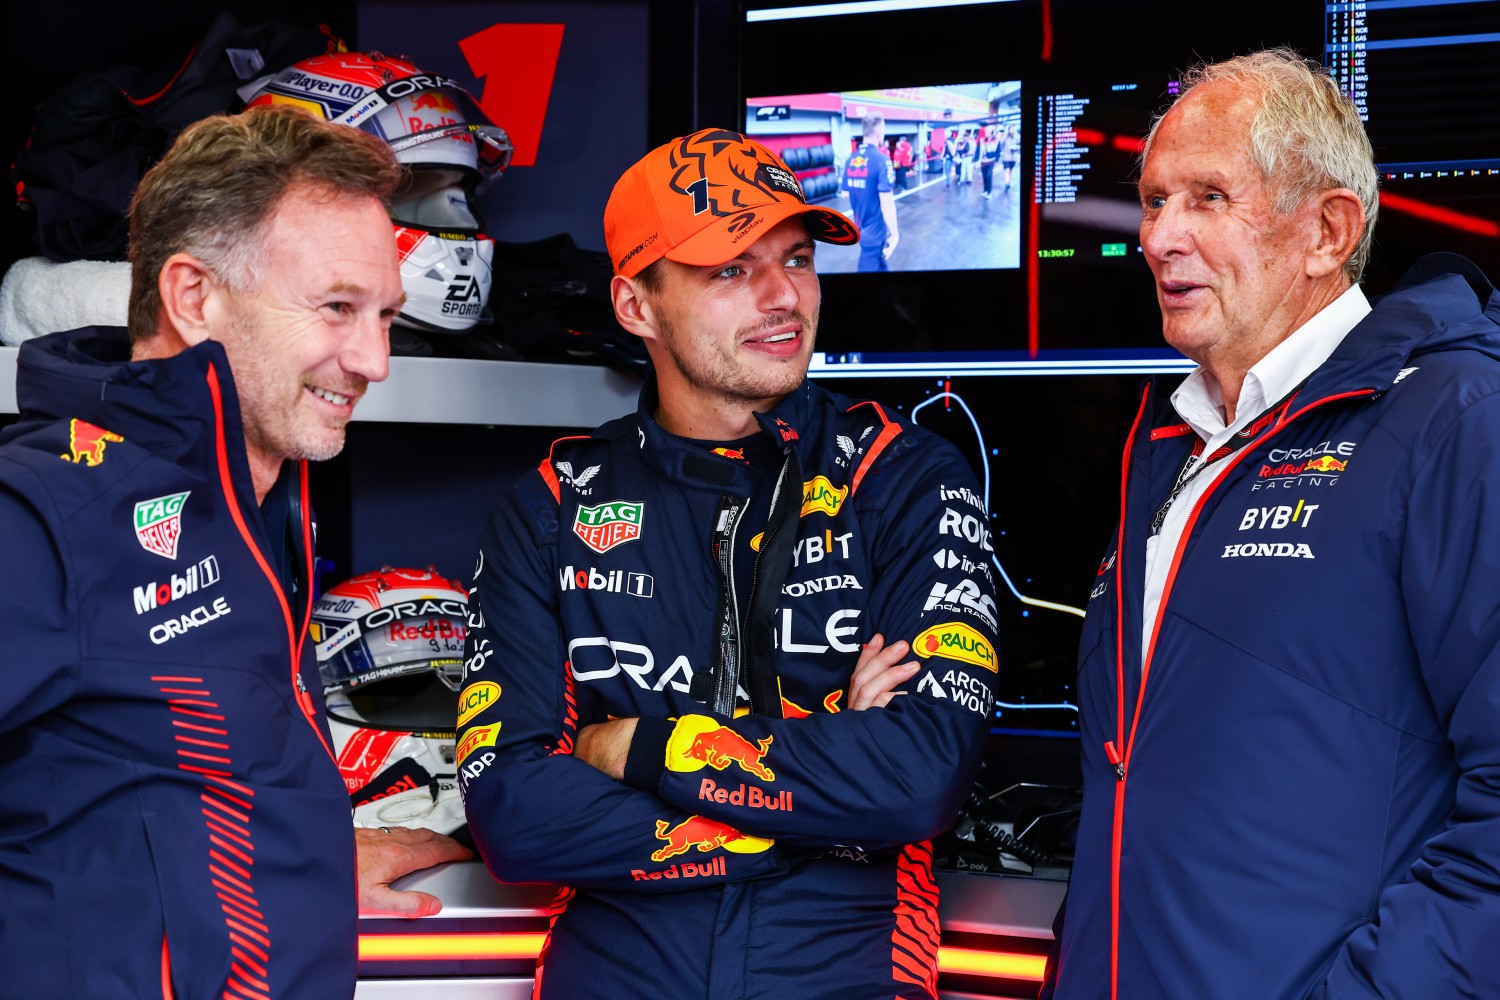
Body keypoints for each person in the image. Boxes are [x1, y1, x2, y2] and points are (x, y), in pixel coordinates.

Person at [458, 126, 999, 999]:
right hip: (614, 971)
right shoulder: (552, 507)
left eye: (796, 259)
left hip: (844, 966)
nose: (785, 295)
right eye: (731, 270)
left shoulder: (897, 476)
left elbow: (915, 779)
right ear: (637, 307)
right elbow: (516, 818)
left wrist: (634, 746)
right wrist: (822, 797)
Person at [1043, 48, 1500, 999]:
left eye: (1207, 197)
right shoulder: (1174, 448)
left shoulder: (1456, 419)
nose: (1159, 236)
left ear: (1327, 231)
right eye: (1154, 199)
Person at [0, 105, 471, 999]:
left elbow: (169, 789)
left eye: (385, 315)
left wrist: (305, 866)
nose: (374, 359)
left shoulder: (261, 507)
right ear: (192, 296)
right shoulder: (49, 507)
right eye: (337, 307)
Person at [841, 113, 901, 271]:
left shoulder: (851, 160)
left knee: (881, 265)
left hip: (860, 227)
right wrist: (894, 234)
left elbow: (846, 192)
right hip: (875, 232)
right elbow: (887, 203)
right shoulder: (882, 160)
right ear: (879, 131)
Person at [978, 124, 1000, 199]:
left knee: (989, 175)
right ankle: (985, 190)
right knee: (984, 176)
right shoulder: (982, 140)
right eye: (986, 131)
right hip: (983, 161)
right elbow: (979, 150)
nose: (986, 132)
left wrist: (997, 159)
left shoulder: (996, 140)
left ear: (992, 132)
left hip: (991, 160)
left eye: (988, 131)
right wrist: (978, 160)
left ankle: (989, 192)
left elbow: (998, 150)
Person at [999, 124, 1019, 191]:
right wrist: (1005, 135)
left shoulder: (1017, 136)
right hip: (1006, 157)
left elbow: (1020, 145)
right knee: (1007, 170)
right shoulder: (1005, 136)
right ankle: (1007, 183)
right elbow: (1001, 142)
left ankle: (1008, 181)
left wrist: (1016, 147)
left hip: (1013, 157)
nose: (1011, 131)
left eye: (1012, 129)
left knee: (1010, 170)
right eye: (1010, 129)